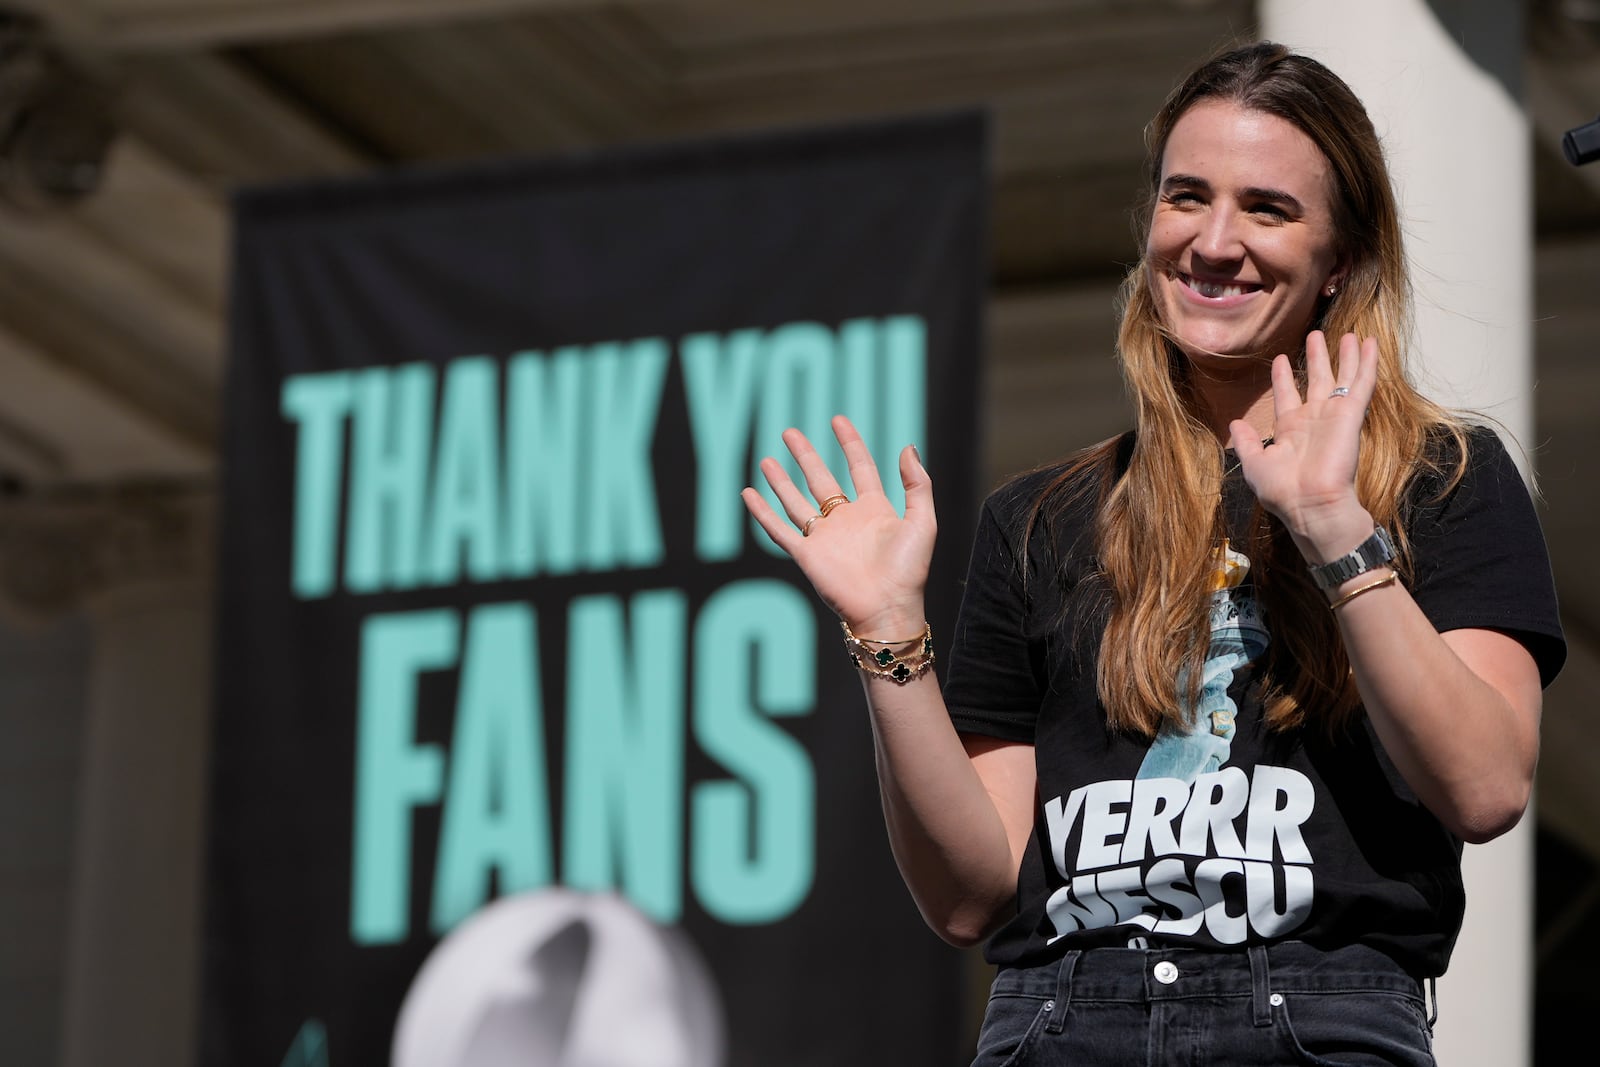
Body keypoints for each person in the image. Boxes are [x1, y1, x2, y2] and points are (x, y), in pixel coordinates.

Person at [741, 41, 1566, 1067]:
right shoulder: (1037, 519)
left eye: (1266, 208)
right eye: (1187, 197)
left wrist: (1333, 525)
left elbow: (1484, 786)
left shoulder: (1441, 474)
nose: (1214, 242)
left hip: (1313, 1016)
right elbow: (968, 894)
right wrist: (886, 634)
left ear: (1340, 260)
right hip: (1059, 1018)